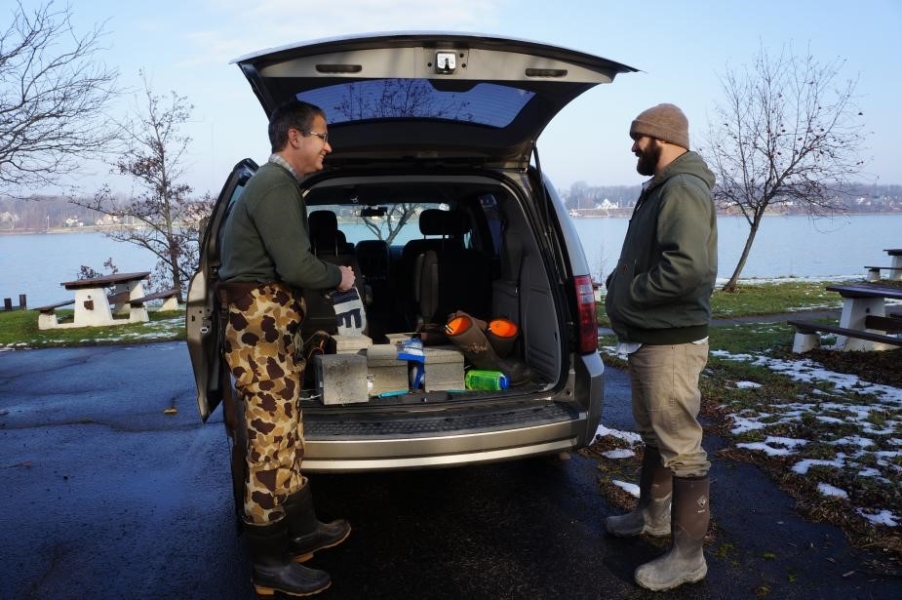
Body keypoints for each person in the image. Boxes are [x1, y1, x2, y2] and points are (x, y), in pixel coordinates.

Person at [217, 99, 356, 597]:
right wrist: (338, 276)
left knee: (286, 433)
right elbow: (297, 266)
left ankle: (303, 531)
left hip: (271, 329)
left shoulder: (277, 186)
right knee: (267, 445)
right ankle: (269, 564)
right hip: (260, 331)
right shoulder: (275, 185)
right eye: (322, 135)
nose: (328, 145)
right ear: (294, 137)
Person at [603, 103, 718, 592]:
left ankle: (689, 559)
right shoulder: (665, 188)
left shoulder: (683, 189)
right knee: (655, 434)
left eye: (638, 137)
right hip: (652, 337)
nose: (633, 146)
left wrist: (628, 293)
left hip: (670, 341)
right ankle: (651, 519)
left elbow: (687, 269)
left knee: (681, 447)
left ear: (660, 137)